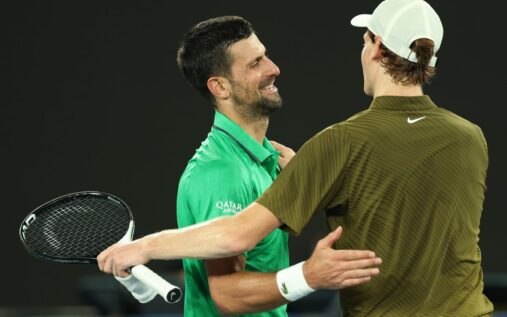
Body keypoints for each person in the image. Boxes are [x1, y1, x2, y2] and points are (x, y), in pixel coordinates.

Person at [98, 1, 494, 315]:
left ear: (374, 46)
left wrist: (145, 247)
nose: (274, 68)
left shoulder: (337, 145)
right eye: (256, 62)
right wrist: (308, 266)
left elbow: (237, 234)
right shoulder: (471, 138)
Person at [112, 16, 381, 317]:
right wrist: (307, 276)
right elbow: (229, 296)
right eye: (255, 64)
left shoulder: (269, 159)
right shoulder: (221, 173)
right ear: (220, 87)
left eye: (265, 55)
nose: (273, 68)